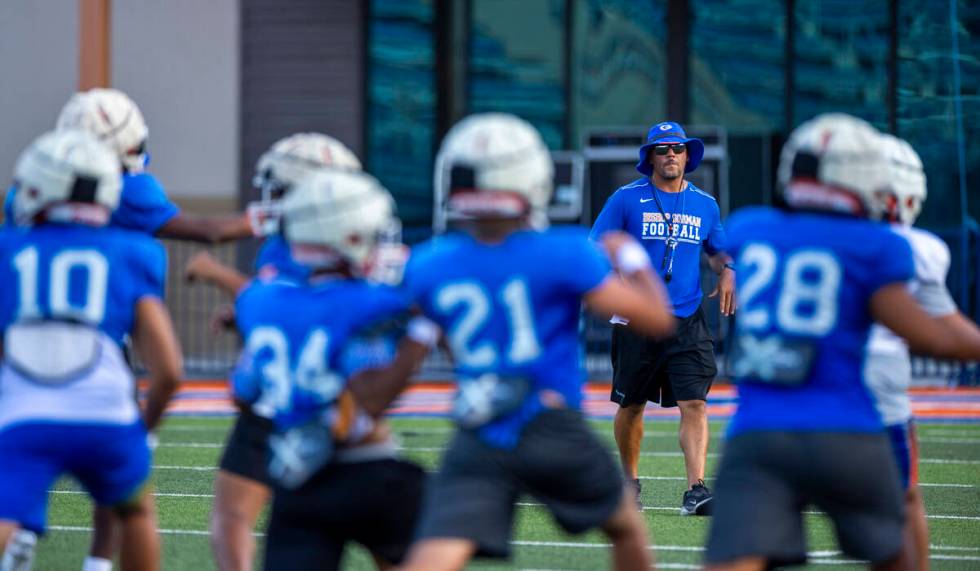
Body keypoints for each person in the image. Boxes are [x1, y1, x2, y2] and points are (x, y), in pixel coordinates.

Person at [395, 113, 675, 571]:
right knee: (625, 525)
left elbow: (439, 340)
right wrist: (628, 253)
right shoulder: (564, 250)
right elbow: (657, 319)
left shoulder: (429, 262)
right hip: (549, 421)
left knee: (438, 551)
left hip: (480, 424)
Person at [704, 113, 980, 571]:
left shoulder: (751, 229)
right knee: (898, 554)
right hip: (847, 431)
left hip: (759, 433)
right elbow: (930, 335)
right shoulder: (876, 244)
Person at [230, 165, 433, 570]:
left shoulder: (259, 300)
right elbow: (369, 395)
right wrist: (422, 334)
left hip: (297, 478)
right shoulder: (373, 302)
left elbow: (244, 391)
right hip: (367, 466)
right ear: (350, 235)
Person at [0, 130, 182, 571]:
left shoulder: (8, 248)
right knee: (135, 510)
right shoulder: (135, 251)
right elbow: (170, 371)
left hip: (25, 415)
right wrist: (144, 429)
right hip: (106, 416)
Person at [183, 132, 364, 571]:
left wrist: (214, 272)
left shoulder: (292, 243)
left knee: (233, 516)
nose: (275, 199)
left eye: (283, 189)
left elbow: (291, 307)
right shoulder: (356, 237)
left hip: (286, 397)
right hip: (346, 395)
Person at [589, 120, 734, 514]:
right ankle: (629, 482)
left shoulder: (705, 203)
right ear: (650, 157)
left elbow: (719, 249)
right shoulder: (625, 197)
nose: (670, 154)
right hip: (637, 318)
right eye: (662, 148)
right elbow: (597, 246)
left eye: (677, 148)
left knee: (696, 404)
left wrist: (729, 272)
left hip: (687, 319)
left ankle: (696, 489)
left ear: (688, 156)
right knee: (632, 405)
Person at [866, 133, 975, 571]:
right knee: (905, 501)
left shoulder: (780, 231)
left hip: (783, 407)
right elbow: (939, 337)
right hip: (877, 399)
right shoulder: (912, 248)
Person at [3, 88, 258, 243]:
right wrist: (271, 217)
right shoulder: (130, 191)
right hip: (98, 323)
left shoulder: (23, 191)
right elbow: (210, 232)